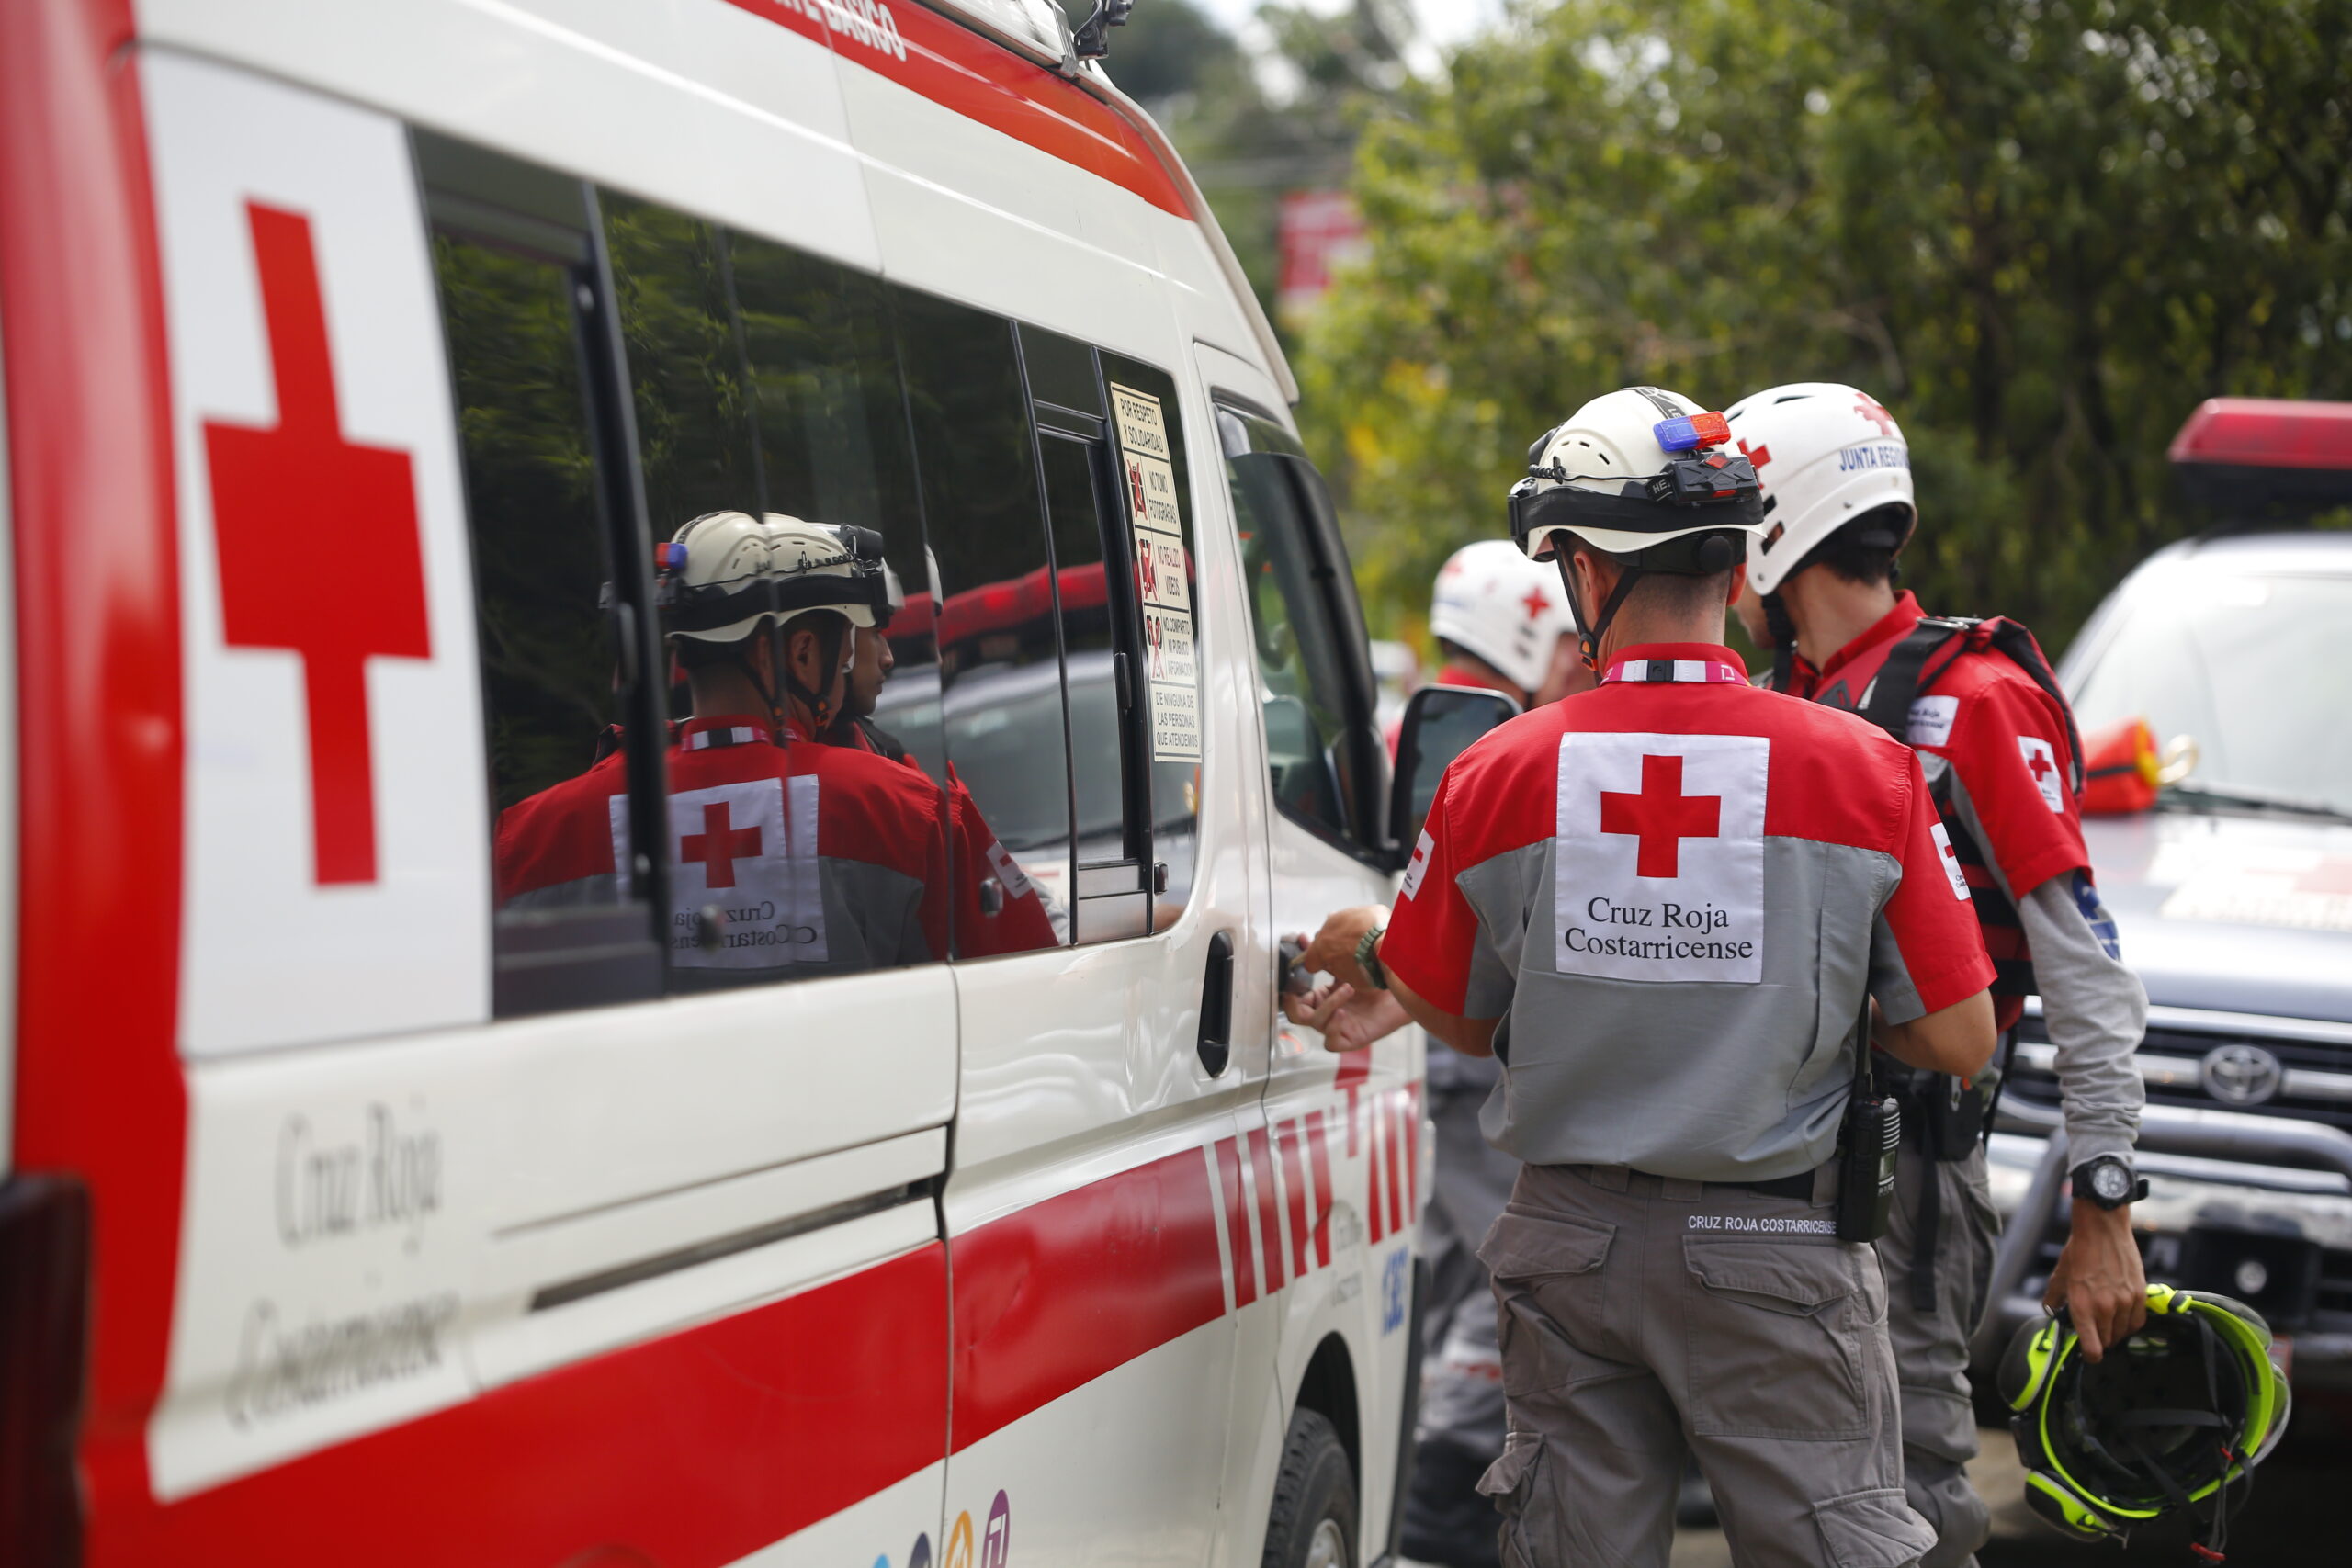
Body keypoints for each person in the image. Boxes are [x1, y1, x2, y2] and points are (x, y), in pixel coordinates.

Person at [1289, 387, 1996, 1568]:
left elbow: (1461, 1019)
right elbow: (1962, 1035)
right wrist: (1790, 1003)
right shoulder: (1864, 769)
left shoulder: (1496, 769)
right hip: (1779, 1247)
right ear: (1737, 558)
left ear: (1585, 568)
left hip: (1571, 1252)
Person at [1724, 383, 2150, 1568]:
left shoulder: (1975, 702)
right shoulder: (1789, 702)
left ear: (1772, 530)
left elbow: (2084, 968)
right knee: (1783, 1477)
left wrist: (2104, 1204)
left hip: (1905, 1172)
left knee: (1904, 1482)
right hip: (1771, 1165)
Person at [496, 511, 1051, 976]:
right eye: (847, 648)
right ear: (802, 654)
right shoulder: (914, 810)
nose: (862, 661)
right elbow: (1029, 980)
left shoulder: (528, 835)